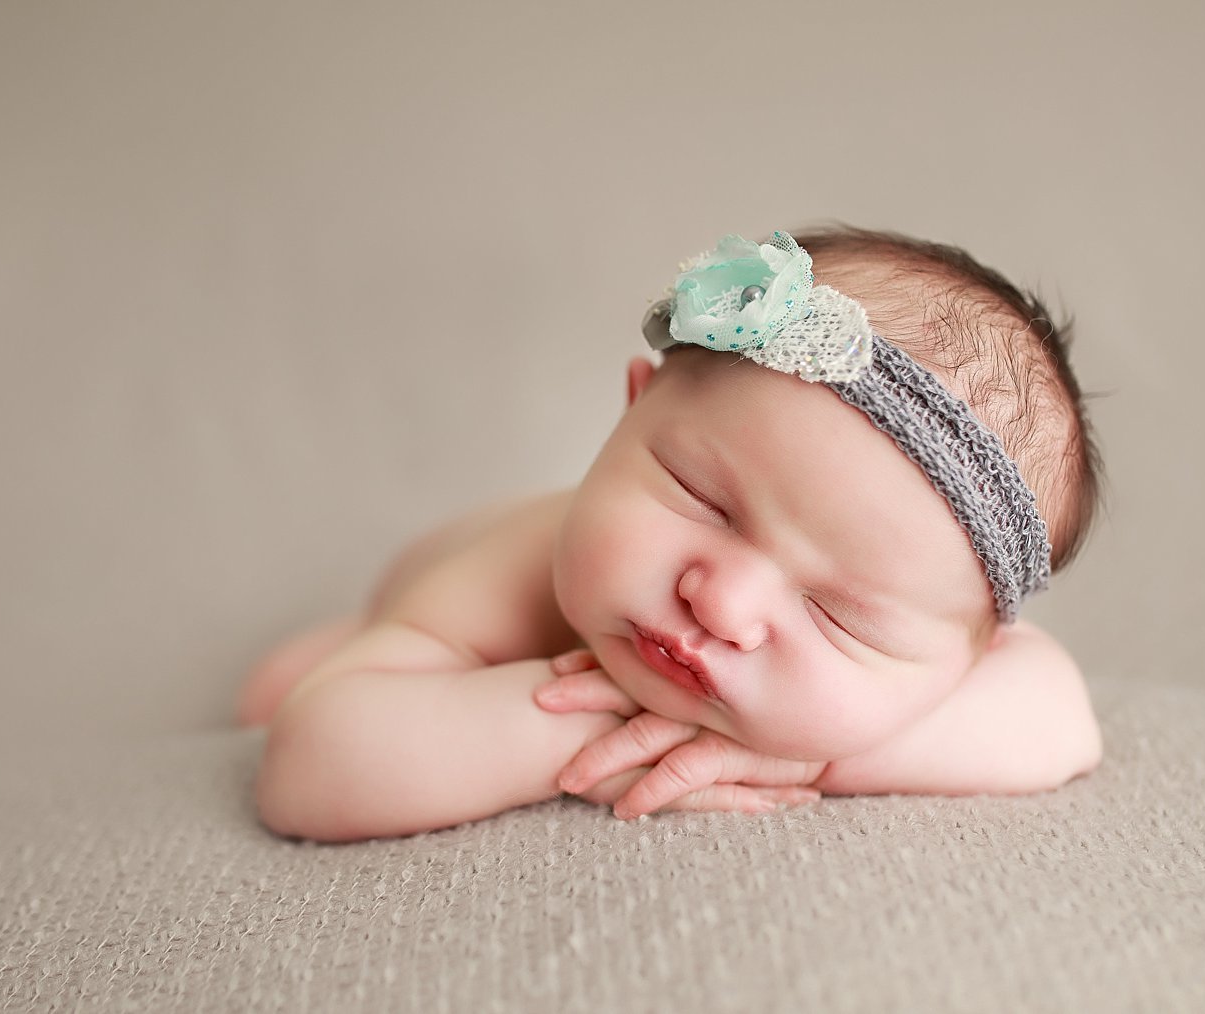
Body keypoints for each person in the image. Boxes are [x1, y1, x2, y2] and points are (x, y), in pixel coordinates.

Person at [240, 226, 1105, 842]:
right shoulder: (511, 577)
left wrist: (802, 755)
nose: (723, 601)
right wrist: (580, 734)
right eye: (702, 499)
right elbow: (309, 772)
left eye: (840, 616)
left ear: (974, 648)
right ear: (630, 409)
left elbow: (1062, 721)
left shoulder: (960, 639)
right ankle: (347, 639)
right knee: (278, 693)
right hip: (422, 615)